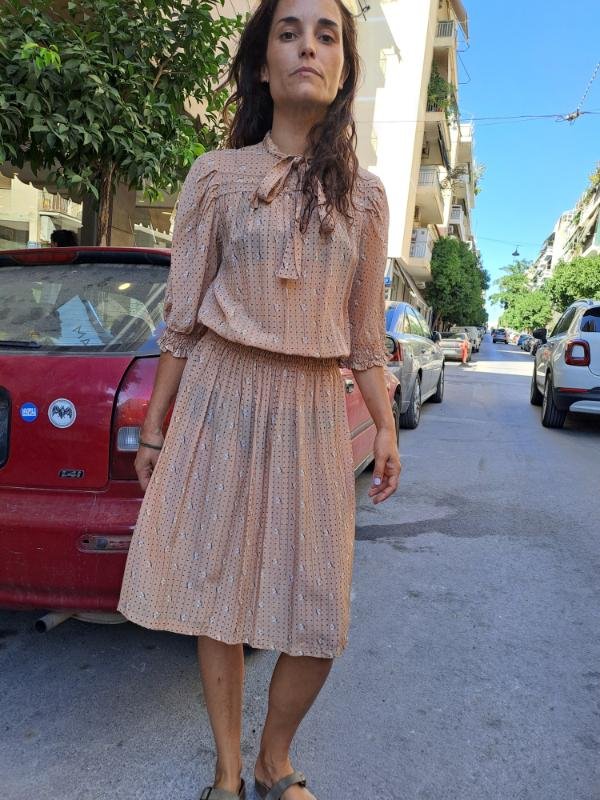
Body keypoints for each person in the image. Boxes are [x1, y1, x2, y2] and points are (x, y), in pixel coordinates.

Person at [117, 0, 402, 797]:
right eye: (288, 32)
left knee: (319, 610)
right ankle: (229, 771)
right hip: (220, 394)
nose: (308, 46)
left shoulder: (367, 198)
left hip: (311, 404)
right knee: (217, 591)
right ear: (264, 64)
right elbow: (181, 318)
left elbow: (364, 335)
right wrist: (152, 429)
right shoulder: (214, 176)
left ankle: (276, 758)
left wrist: (385, 427)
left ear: (343, 68)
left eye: (326, 35)